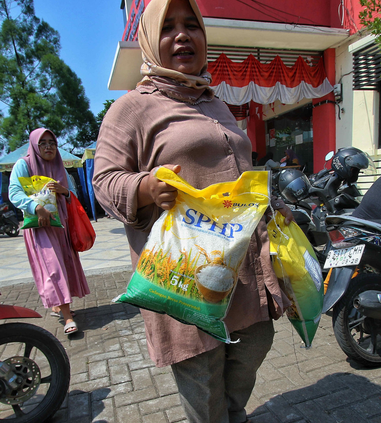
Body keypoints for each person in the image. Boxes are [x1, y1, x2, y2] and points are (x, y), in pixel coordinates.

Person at [92, 0, 293, 422]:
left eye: (191, 25)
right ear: (148, 41)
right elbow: (104, 182)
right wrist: (145, 187)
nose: (182, 35)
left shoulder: (216, 104)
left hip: (242, 271)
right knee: (204, 392)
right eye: (168, 27)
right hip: (187, 278)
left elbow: (240, 172)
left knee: (253, 347)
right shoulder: (131, 109)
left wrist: (272, 208)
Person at [8, 128, 90, 334]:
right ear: (35, 145)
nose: (48, 147)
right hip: (40, 227)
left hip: (60, 225)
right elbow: (14, 193)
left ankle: (58, 306)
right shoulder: (24, 165)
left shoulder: (58, 166)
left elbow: (72, 193)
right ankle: (68, 316)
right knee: (52, 267)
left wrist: (64, 191)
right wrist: (35, 207)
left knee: (64, 264)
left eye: (52, 143)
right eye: (43, 143)